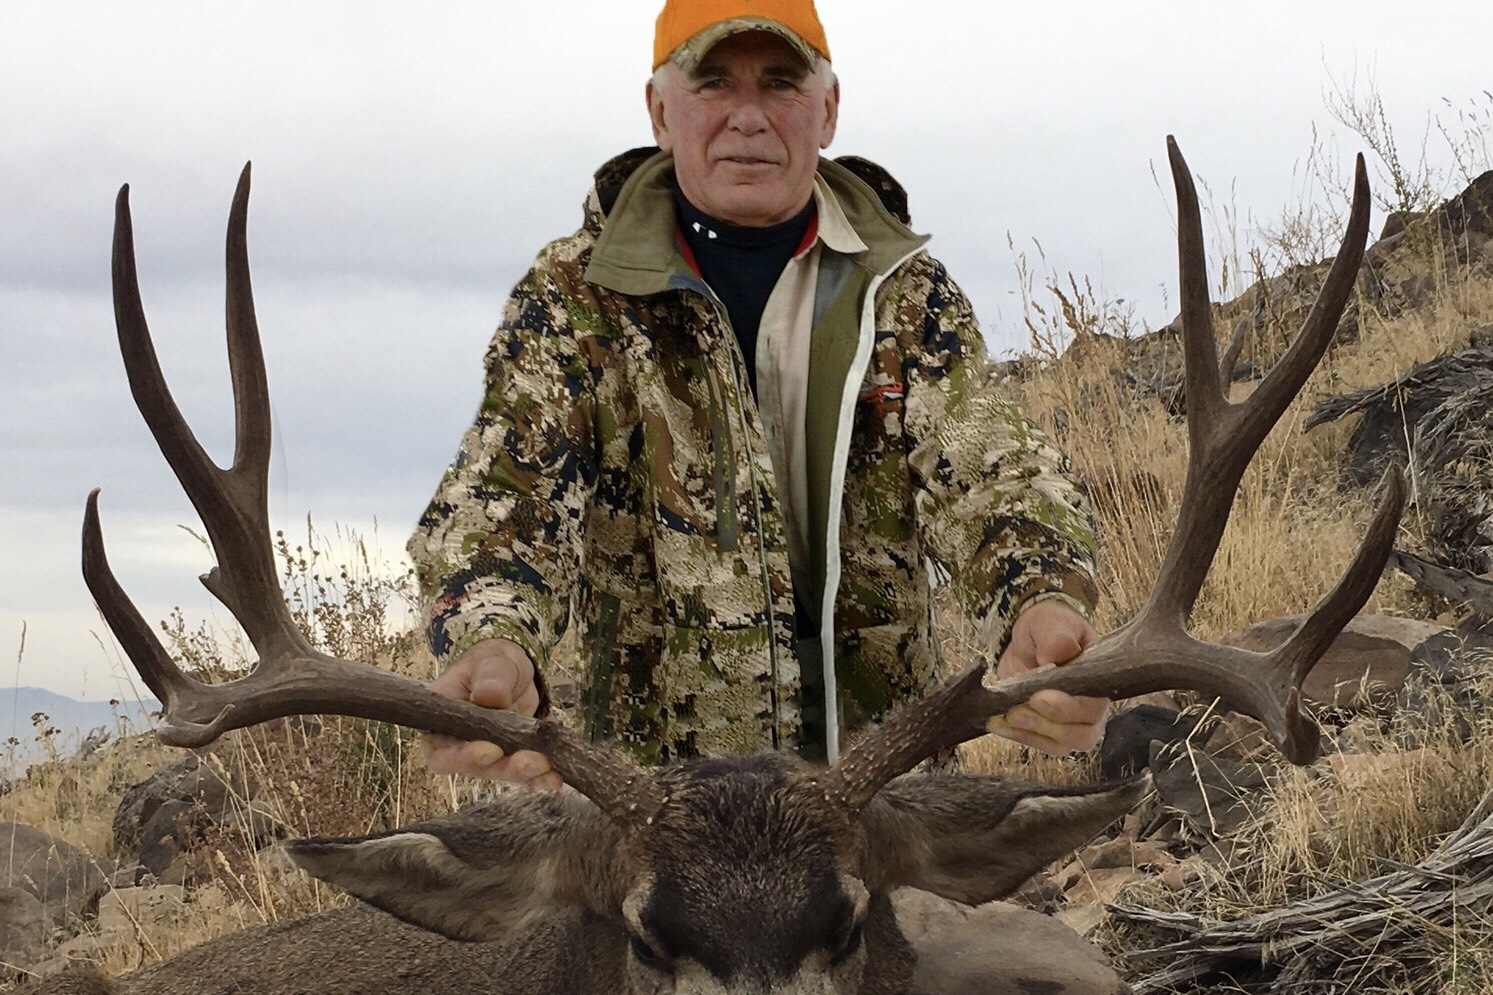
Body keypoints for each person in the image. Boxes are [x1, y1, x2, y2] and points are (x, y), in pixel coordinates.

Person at [411, 0, 1108, 789]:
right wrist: (491, 639)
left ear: (829, 109)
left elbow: (997, 470)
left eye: (780, 83)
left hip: (877, 807)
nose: (747, 118)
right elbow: (502, 507)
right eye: (713, 83)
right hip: (659, 826)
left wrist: (1042, 603)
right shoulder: (573, 302)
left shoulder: (907, 298)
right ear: (659, 111)